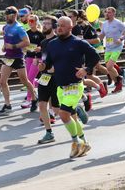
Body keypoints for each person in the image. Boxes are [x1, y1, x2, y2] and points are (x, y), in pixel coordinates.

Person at [39, 16, 101, 158]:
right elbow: (48, 63)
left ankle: (76, 142)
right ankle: (85, 142)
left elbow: (95, 56)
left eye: (62, 25)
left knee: (63, 114)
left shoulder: (79, 43)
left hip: (75, 86)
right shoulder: (52, 44)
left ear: (70, 28)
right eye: (58, 25)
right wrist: (43, 66)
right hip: (60, 87)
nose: (59, 28)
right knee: (72, 117)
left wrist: (86, 69)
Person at [0, 6, 38, 114]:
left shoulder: (19, 28)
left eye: (9, 14)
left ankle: (34, 99)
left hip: (18, 57)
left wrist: (13, 46)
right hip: (8, 57)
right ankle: (7, 104)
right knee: (2, 81)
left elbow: (27, 42)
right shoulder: (5, 27)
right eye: (6, 14)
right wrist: (5, 47)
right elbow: (6, 40)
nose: (6, 16)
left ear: (15, 15)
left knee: (24, 81)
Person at [37, 15, 59, 144]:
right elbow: (45, 59)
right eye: (44, 23)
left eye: (48, 24)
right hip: (45, 77)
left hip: (57, 78)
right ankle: (49, 133)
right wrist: (41, 65)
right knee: (42, 105)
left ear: (54, 26)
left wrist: (55, 68)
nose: (44, 25)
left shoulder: (58, 41)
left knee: (57, 110)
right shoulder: (43, 42)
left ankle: (77, 109)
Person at [99, 7, 125, 93]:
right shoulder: (104, 24)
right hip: (108, 47)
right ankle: (118, 82)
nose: (107, 14)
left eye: (109, 12)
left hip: (117, 47)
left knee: (109, 66)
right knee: (109, 68)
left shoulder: (118, 23)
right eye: (106, 12)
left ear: (114, 14)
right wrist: (96, 40)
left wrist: (121, 39)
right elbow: (102, 35)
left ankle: (119, 80)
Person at [21, 14, 45, 108]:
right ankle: (41, 84)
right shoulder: (26, 33)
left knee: (29, 79)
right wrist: (24, 49)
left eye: (32, 21)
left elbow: (45, 46)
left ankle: (29, 99)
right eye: (28, 21)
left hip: (37, 59)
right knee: (30, 78)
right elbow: (23, 46)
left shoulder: (41, 34)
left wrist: (40, 49)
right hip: (28, 57)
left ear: (36, 22)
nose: (30, 23)